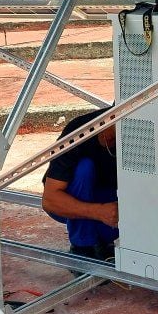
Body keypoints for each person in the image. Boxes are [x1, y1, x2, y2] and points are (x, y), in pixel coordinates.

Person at [42, 109, 118, 260]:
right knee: (84, 168)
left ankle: (101, 241)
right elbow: (49, 201)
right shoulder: (80, 130)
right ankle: (82, 247)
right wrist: (98, 212)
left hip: (108, 200)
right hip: (73, 200)